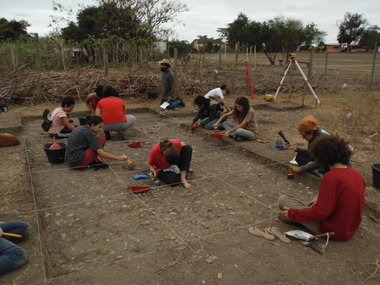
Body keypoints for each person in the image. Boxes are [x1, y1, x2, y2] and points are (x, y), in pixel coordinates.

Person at [278, 135, 365, 241]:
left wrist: (293, 214)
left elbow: (321, 213)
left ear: (322, 159)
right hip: (350, 228)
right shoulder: (357, 174)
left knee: (283, 200)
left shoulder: (331, 177)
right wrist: (320, 199)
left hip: (331, 230)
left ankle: (299, 219)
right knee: (317, 198)